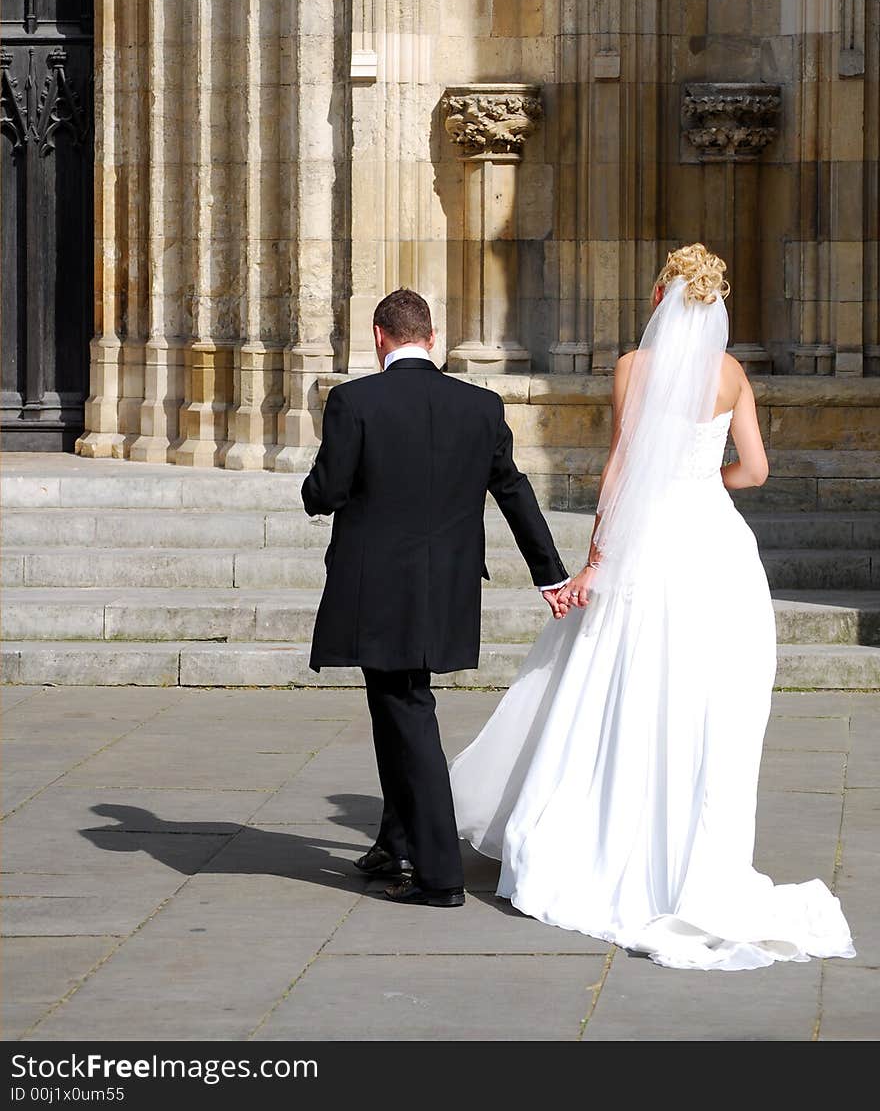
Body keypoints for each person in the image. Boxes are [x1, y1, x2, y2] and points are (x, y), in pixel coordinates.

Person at [450, 244, 855, 970]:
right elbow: (756, 470)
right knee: (707, 702)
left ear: (662, 297)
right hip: (717, 550)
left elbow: (620, 466)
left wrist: (596, 556)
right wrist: (706, 477)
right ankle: (695, 859)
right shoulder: (732, 375)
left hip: (650, 541)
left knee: (624, 686)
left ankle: (608, 841)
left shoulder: (633, 369)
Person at [301, 288, 569, 908]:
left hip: (377, 588)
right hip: (445, 588)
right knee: (394, 704)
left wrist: (314, 488)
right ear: (432, 336)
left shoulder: (354, 400)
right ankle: (394, 840)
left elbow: (327, 491)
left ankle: (440, 873)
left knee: (406, 710)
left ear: (378, 336)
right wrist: (548, 575)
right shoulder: (479, 405)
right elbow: (514, 490)